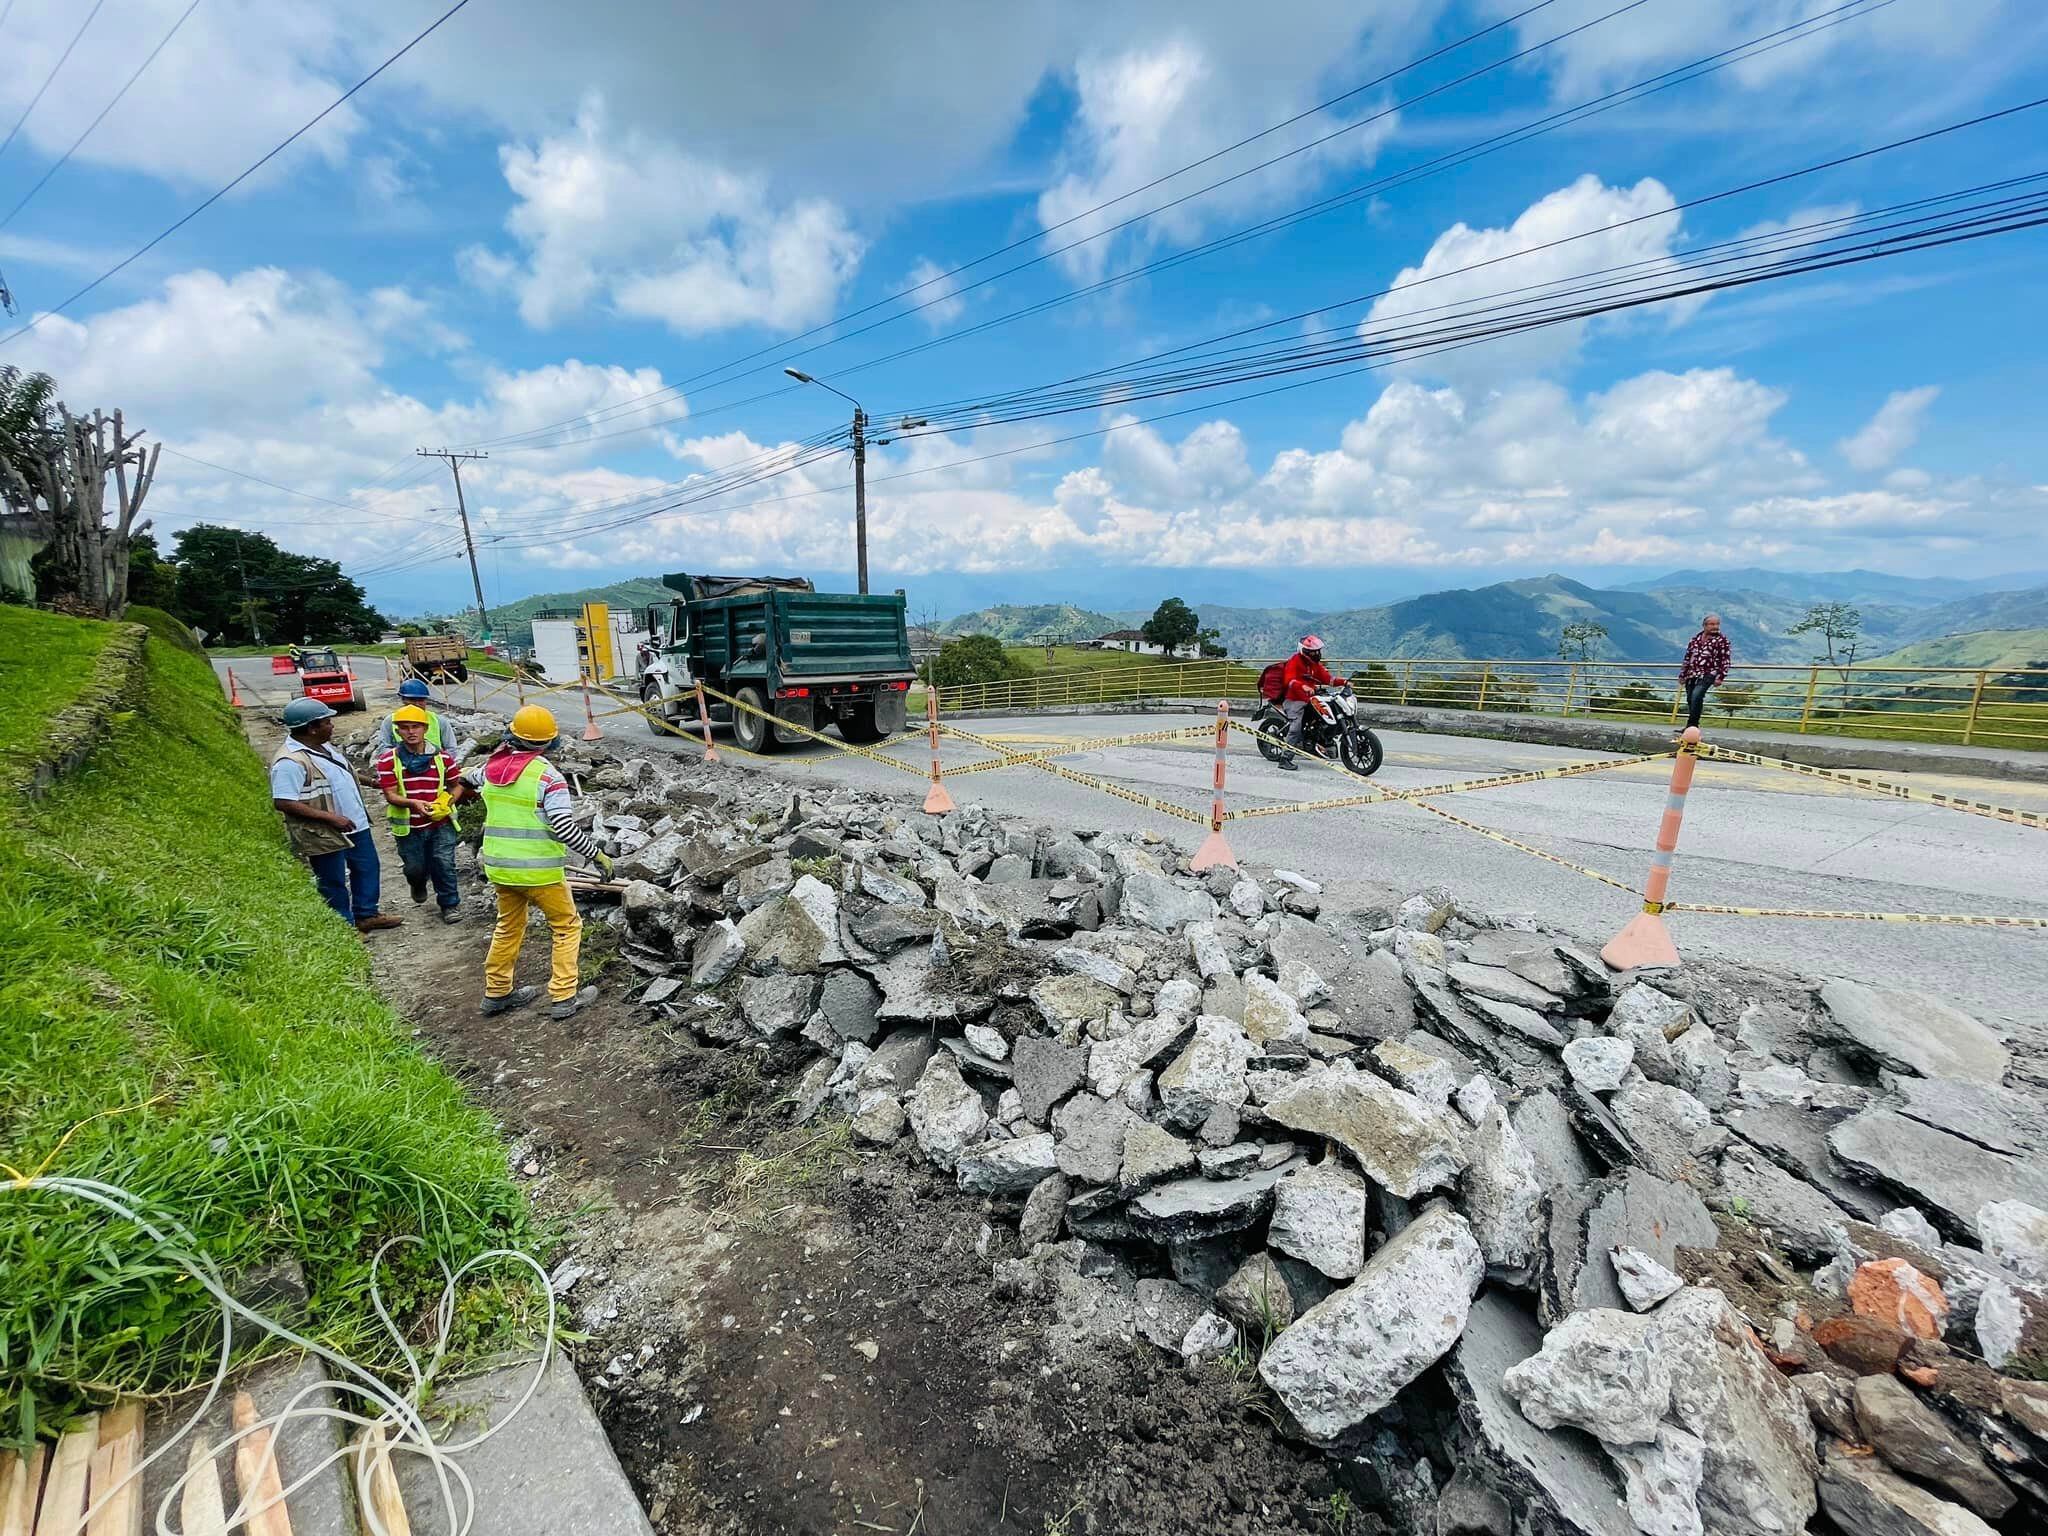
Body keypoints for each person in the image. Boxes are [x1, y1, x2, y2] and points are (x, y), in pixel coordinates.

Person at [459, 704, 611, 1021]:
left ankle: (497, 992)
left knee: (508, 926)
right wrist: (596, 854)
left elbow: (465, 778)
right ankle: (564, 996)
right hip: (540, 872)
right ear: (549, 743)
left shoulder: (490, 768)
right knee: (567, 926)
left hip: (500, 868)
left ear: (512, 735)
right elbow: (564, 827)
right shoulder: (548, 777)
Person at [270, 697, 401, 933]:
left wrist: (371, 782)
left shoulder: (323, 746)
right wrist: (331, 818)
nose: (332, 726)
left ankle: (367, 914)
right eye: (327, 722)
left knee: (367, 867)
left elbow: (343, 770)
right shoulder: (290, 762)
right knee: (333, 879)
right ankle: (344, 925)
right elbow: (283, 801)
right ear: (312, 728)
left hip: (354, 823)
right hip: (324, 831)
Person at [374, 704, 463, 923]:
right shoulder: (388, 761)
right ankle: (417, 882)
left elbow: (456, 785)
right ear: (398, 731)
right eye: (405, 728)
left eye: (415, 727)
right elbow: (390, 795)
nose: (411, 732)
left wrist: (447, 802)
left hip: (440, 823)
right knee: (415, 867)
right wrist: (414, 803)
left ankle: (450, 905)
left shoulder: (442, 758)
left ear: (425, 728)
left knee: (444, 863)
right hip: (410, 827)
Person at [1275, 634, 1346, 771]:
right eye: (1313, 651)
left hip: (1311, 699)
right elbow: (1289, 680)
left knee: (1330, 714)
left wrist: (1344, 682)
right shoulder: (1294, 661)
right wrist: (1302, 686)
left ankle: (1322, 741)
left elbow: (1327, 679)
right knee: (1295, 727)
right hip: (1294, 699)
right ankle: (1285, 759)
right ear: (1305, 651)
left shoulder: (1315, 665)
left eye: (1318, 651)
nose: (1317, 653)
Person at [1680, 613, 1732, 730]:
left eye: (1717, 624)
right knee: (1690, 698)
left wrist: (1720, 677)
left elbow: (1725, 659)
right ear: (1704, 625)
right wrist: (1682, 674)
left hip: (1709, 673)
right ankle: (1692, 725)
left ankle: (1692, 726)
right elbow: (1688, 657)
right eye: (1712, 624)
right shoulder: (1695, 639)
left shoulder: (1722, 641)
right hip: (1692, 673)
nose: (1715, 627)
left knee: (1697, 696)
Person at [377, 677, 449, 750]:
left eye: (421, 700)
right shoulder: (390, 721)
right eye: (412, 699)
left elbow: (451, 749)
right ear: (403, 699)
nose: (417, 704)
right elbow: (383, 748)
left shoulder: (439, 721)